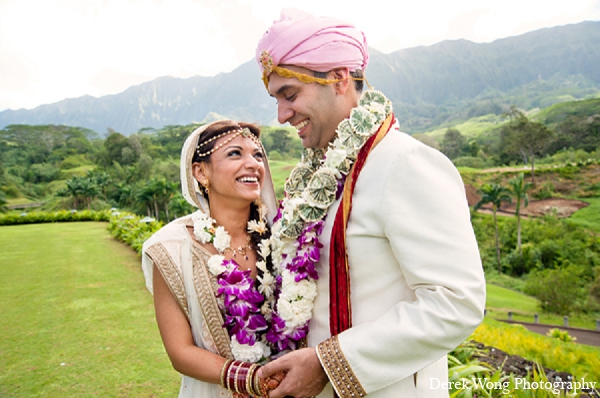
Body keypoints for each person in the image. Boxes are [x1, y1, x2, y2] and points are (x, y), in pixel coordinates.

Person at [254, 8, 487, 398]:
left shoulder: (404, 163)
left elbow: (456, 303)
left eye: (289, 95)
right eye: (276, 99)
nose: (281, 115)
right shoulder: (317, 175)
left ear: (339, 79)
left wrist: (330, 364)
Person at [141, 120, 287, 397]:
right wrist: (253, 379)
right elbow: (180, 351)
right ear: (200, 171)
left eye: (257, 155)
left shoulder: (282, 240)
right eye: (235, 153)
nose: (253, 164)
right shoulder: (172, 247)